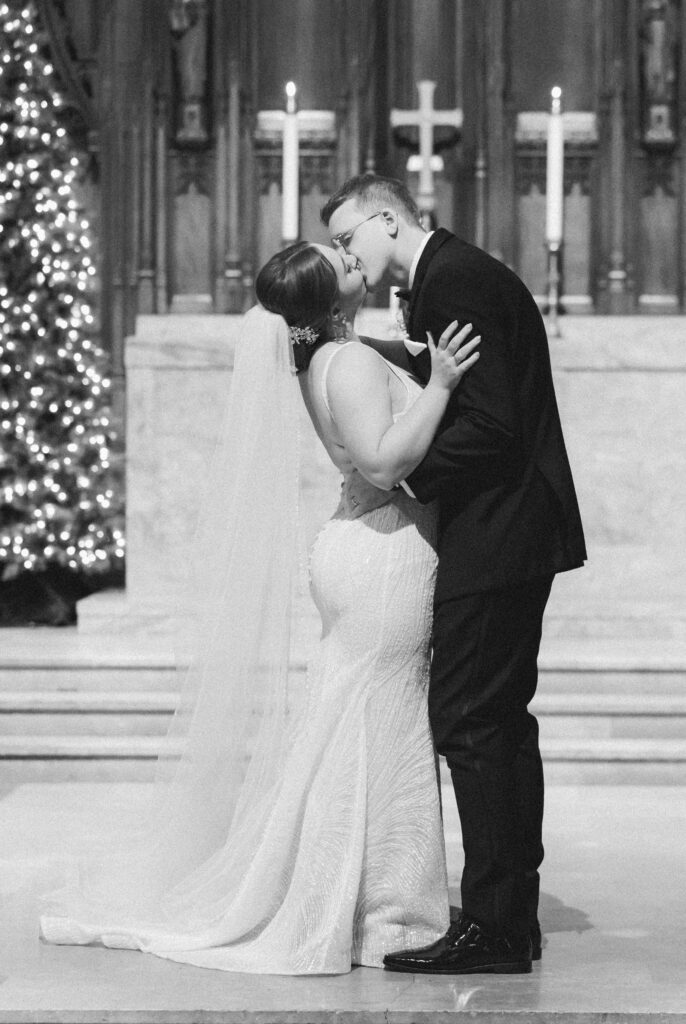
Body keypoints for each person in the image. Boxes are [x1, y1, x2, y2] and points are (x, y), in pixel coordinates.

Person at [38, 241, 479, 974]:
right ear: (331, 298)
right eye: (340, 255)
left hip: (354, 550)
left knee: (350, 727)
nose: (351, 253)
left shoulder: (320, 362)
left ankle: (361, 895)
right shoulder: (354, 363)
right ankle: (378, 911)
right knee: (380, 726)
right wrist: (439, 386)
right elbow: (381, 461)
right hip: (382, 555)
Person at [322, 174, 586, 974]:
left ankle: (498, 926)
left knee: (474, 719)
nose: (346, 254)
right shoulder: (449, 276)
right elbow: (451, 372)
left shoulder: (458, 278)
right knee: (493, 718)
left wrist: (398, 474)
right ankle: (510, 916)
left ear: (383, 219)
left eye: (346, 238)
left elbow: (494, 425)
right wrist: (351, 345)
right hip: (503, 530)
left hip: (500, 532)